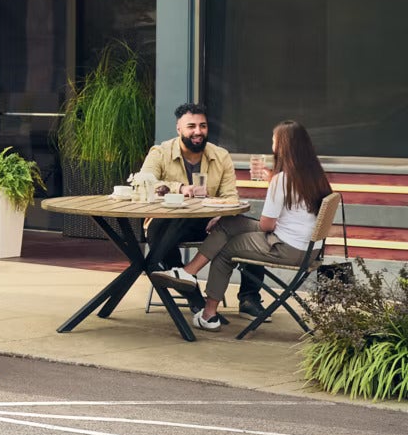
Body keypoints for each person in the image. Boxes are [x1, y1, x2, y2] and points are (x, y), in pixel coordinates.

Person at [157, 120, 331, 331]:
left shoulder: (282, 180)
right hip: (309, 249)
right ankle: (187, 272)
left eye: (274, 141)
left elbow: (267, 225)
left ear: (283, 146)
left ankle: (208, 314)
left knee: (225, 250)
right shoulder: (314, 176)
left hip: (287, 248)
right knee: (229, 222)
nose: (272, 145)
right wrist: (272, 181)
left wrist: (273, 184)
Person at [138, 102, 269, 319]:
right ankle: (195, 298)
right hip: (168, 220)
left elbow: (230, 196)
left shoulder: (220, 156)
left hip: (207, 222)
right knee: (161, 233)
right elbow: (144, 183)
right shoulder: (160, 153)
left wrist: (221, 215)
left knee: (250, 231)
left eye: (203, 126)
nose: (198, 131)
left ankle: (249, 298)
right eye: (191, 126)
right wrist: (179, 188)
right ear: (179, 129)